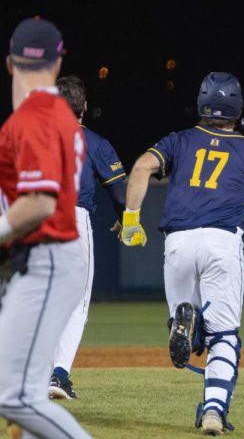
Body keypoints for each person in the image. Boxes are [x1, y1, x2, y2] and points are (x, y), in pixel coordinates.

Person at [121, 72, 244, 435]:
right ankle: (213, 410)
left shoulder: (179, 141)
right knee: (224, 336)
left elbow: (141, 167)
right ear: (238, 107)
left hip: (178, 243)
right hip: (221, 243)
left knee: (191, 329)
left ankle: (187, 321)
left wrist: (131, 219)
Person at [0, 17, 93, 439]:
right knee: (25, 391)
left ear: (9, 63)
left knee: (13, 396)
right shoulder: (58, 113)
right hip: (50, 255)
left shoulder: (33, 116)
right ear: (57, 65)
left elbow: (38, 202)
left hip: (47, 255)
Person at [47, 75, 129, 400]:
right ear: (84, 107)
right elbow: (119, 192)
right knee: (76, 304)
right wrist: (126, 220)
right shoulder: (93, 141)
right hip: (71, 219)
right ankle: (59, 374)